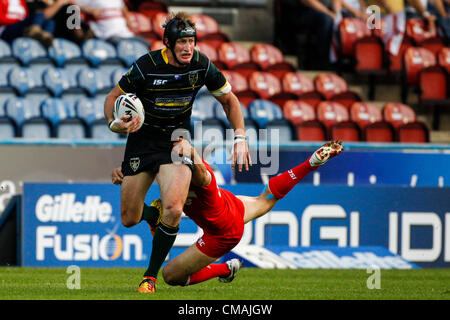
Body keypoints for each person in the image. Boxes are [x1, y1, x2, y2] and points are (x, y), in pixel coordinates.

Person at [104, 12, 251, 293]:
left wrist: (240, 137)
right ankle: (151, 215)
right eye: (182, 42)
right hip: (141, 143)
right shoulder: (146, 66)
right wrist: (114, 123)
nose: (188, 47)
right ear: (168, 44)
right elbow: (112, 98)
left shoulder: (201, 65)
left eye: (192, 41)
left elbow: (229, 101)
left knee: (173, 209)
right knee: (129, 218)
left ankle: (149, 278)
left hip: (176, 143)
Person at [111, 139, 344, 292]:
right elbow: (145, 173)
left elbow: (201, 170)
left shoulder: (201, 176)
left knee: (171, 276)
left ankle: (223, 269)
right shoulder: (170, 171)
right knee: (267, 198)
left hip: (223, 232)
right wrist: (127, 174)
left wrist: (192, 152)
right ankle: (310, 162)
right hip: (230, 203)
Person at [0, 0, 72, 48]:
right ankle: (35, 32)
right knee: (40, 14)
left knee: (50, 21)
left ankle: (46, 38)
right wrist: (17, 20)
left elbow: (26, 15)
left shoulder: (21, 1)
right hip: (6, 29)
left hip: (19, 26)